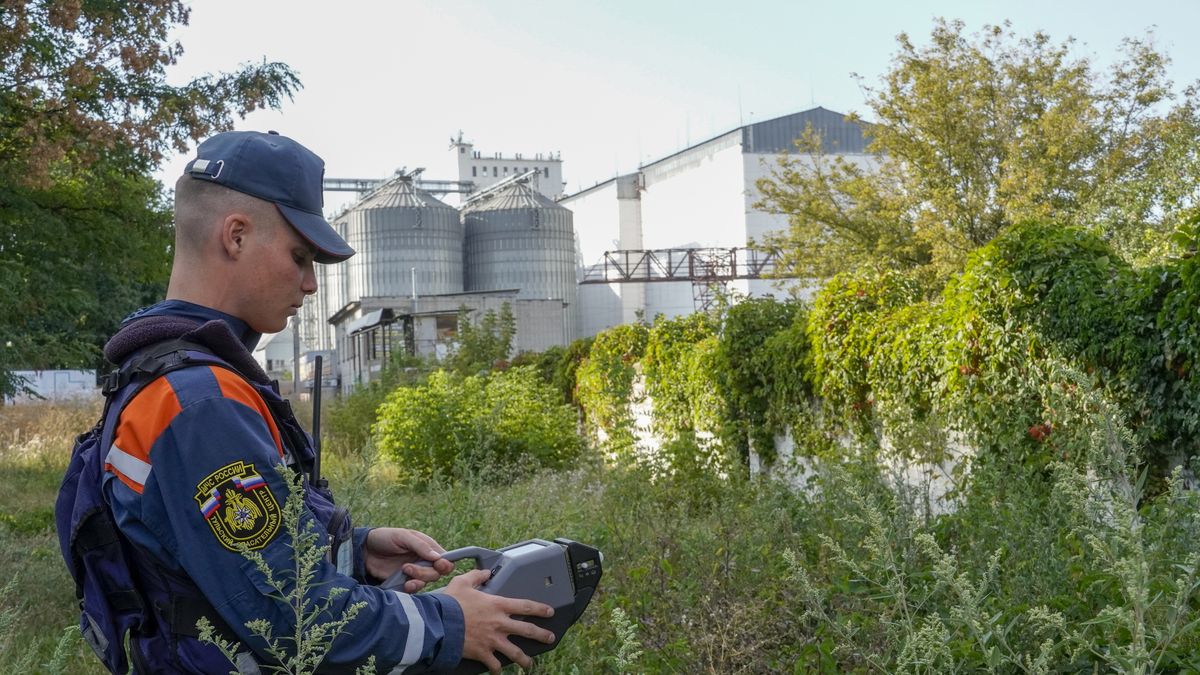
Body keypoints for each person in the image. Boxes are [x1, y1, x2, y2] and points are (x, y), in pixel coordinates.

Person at [100, 130, 555, 673]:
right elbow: (293, 616)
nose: (311, 284)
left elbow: (213, 557)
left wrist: (356, 551)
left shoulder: (168, 374)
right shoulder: (199, 404)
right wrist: (450, 622)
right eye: (300, 256)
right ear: (236, 236)